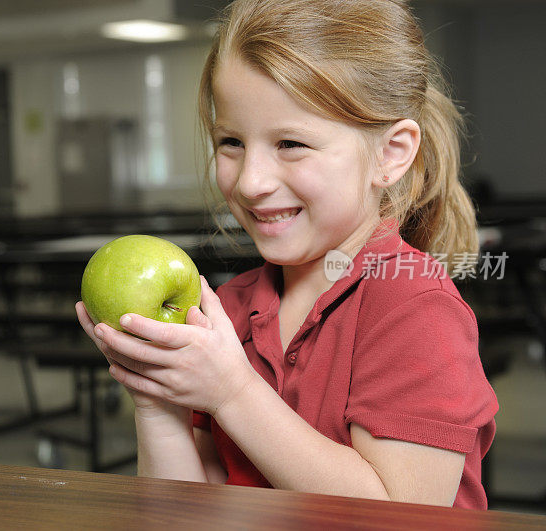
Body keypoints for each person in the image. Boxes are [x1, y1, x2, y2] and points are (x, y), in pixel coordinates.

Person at [76, 0, 497, 510]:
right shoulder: (223, 309)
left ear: (390, 154)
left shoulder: (416, 311)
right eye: (231, 141)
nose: (251, 182)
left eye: (291, 143)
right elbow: (184, 514)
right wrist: (157, 400)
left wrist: (231, 393)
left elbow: (401, 515)